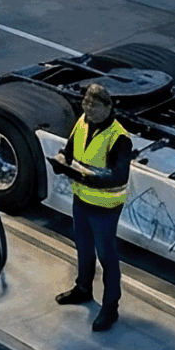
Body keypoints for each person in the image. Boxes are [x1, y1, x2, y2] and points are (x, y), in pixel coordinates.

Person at [51, 82, 132, 330]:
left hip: (105, 207)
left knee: (107, 256)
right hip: (81, 200)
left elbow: (119, 176)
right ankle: (83, 288)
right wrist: (62, 160)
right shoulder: (82, 123)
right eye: (86, 103)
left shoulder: (119, 138)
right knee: (84, 248)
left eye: (95, 105)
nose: (89, 109)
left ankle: (110, 307)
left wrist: (82, 175)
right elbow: (69, 150)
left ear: (108, 107)